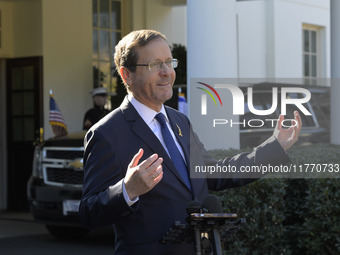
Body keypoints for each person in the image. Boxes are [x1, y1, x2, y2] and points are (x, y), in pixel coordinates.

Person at [79, 29, 302, 255]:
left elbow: (214, 173)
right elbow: (89, 212)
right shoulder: (106, 133)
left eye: (169, 62)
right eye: (155, 65)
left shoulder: (180, 121)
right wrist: (127, 190)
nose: (167, 73)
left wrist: (275, 147)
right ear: (127, 75)